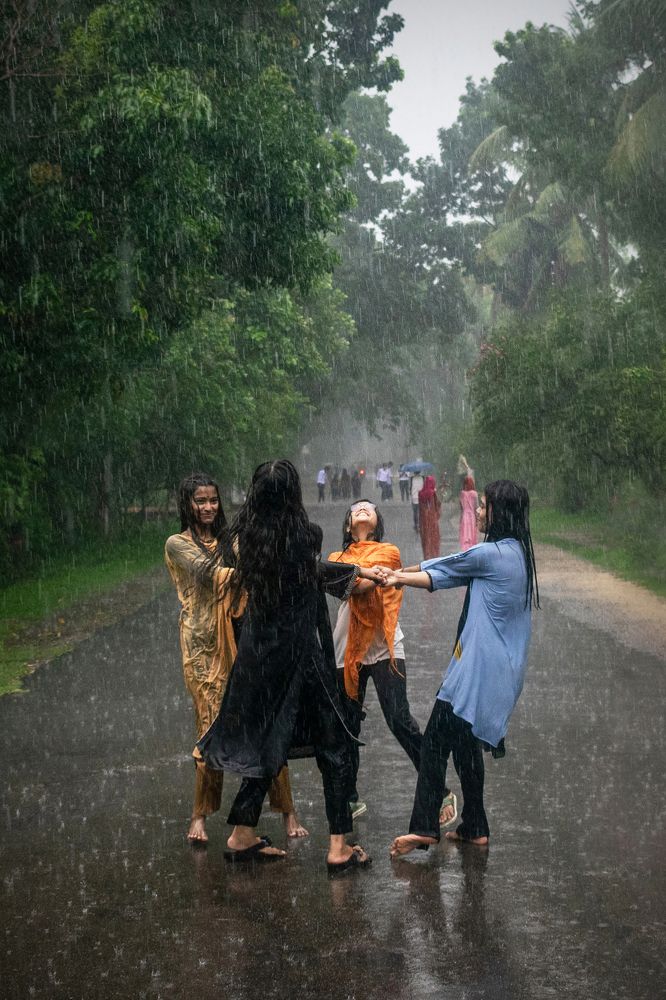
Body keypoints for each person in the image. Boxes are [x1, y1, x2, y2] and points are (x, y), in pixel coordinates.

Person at [197, 460, 381, 871]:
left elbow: (290, 574)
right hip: (299, 657)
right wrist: (357, 573)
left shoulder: (240, 539)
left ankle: (242, 834)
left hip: (258, 657)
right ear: (292, 494)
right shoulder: (305, 536)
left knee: (269, 742)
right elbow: (310, 575)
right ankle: (338, 846)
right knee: (334, 747)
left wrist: (353, 571)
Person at [385, 480, 539, 857]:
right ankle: (476, 826)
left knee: (435, 742)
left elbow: (444, 568)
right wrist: (397, 574)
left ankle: (424, 827)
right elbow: (450, 572)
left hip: (477, 673)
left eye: (484, 506)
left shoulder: (492, 555)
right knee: (465, 746)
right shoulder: (516, 552)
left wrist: (392, 576)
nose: (479, 512)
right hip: (499, 671)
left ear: (500, 513)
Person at [165, 473, 306, 844]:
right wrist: (266, 568)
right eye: (200, 501)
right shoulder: (177, 544)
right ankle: (200, 814)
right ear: (188, 504)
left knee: (263, 720)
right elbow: (213, 575)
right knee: (211, 726)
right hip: (202, 647)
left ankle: (287, 809)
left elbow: (259, 565)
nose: (208, 507)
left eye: (213, 500)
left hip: (243, 640)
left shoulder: (233, 541)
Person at [328, 500, 456, 827]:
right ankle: (350, 796)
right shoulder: (336, 560)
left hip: (386, 646)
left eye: (368, 508)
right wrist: (373, 576)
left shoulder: (389, 552)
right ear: (347, 526)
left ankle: (439, 790)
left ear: (376, 522)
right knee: (347, 726)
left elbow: (373, 577)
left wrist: (375, 574)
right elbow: (353, 587)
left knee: (400, 720)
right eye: (356, 508)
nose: (361, 510)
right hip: (347, 649)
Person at [418, 475, 441, 560]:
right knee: (433, 537)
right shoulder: (433, 493)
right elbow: (437, 505)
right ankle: (434, 555)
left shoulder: (420, 493)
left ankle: (427, 555)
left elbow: (420, 508)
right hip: (432, 519)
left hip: (424, 520)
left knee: (426, 538)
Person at [459, 475, 479, 551]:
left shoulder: (462, 494)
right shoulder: (474, 494)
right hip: (472, 516)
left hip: (464, 516)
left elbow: (461, 507)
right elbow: (476, 507)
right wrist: (477, 518)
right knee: (472, 535)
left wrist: (460, 519)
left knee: (465, 535)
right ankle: (472, 550)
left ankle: (465, 550)